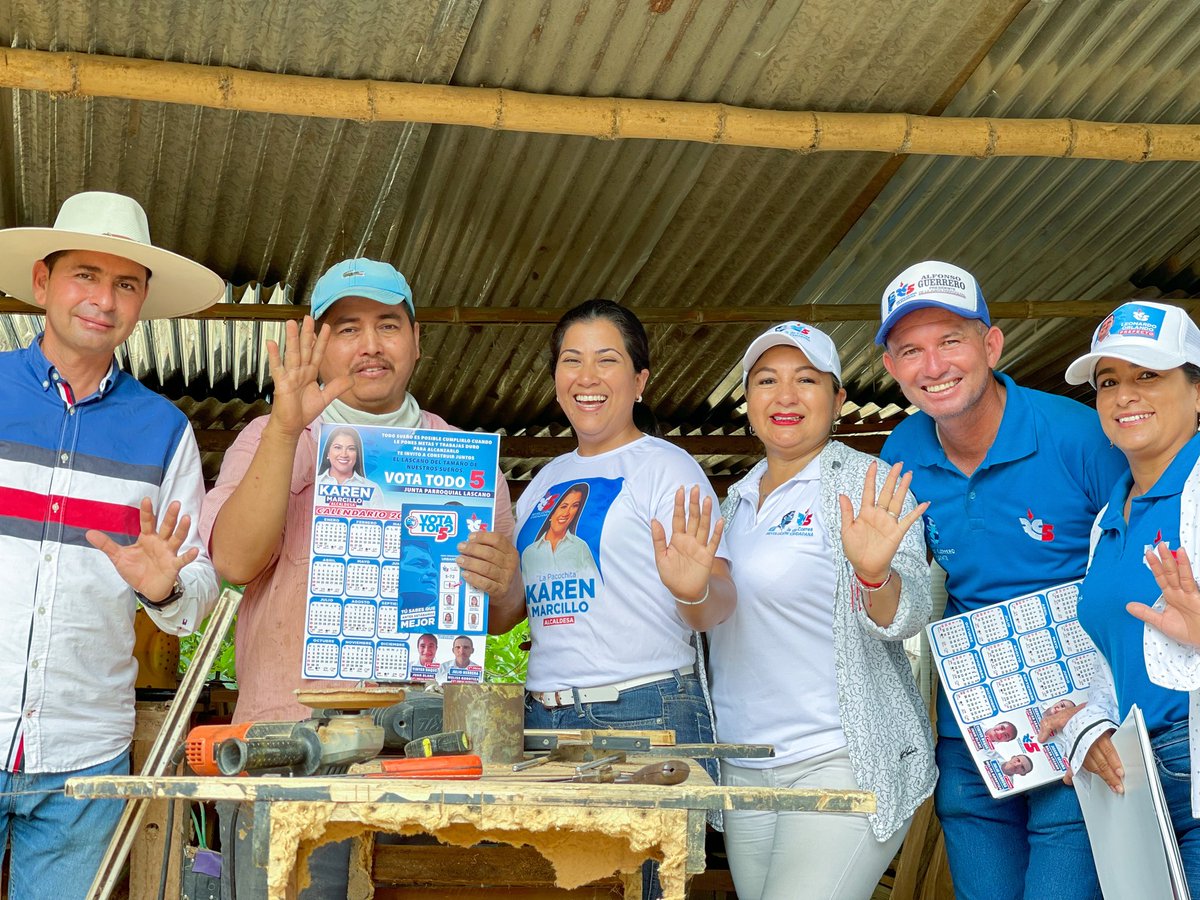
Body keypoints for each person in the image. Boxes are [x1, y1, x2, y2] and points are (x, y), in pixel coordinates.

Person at [200, 257, 520, 897]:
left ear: (417, 340)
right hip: (287, 750)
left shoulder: (464, 459)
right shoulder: (271, 436)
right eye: (346, 328)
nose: (370, 345)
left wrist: (504, 580)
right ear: (317, 345)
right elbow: (233, 563)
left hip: (421, 758)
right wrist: (289, 430)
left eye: (387, 325)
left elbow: (502, 613)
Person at [877, 260, 1125, 900]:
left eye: (950, 341)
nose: (933, 366)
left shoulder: (1078, 435)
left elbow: (1133, 569)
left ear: (992, 344)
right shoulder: (901, 452)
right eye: (911, 350)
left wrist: (1106, 708)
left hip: (1076, 712)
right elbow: (897, 590)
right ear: (891, 368)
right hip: (972, 727)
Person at [0, 190, 222, 896]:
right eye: (85, 275)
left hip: (83, 752)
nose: (104, 298)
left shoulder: (163, 432)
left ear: (143, 300)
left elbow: (202, 594)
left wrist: (163, 586)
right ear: (43, 281)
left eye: (125, 283)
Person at [489, 299, 736, 900]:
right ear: (555, 380)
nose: (587, 377)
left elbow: (719, 600)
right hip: (544, 722)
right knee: (567, 888)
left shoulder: (667, 469)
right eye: (572, 361)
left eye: (607, 360)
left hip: (644, 712)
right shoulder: (543, 485)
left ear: (640, 381)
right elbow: (511, 616)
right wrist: (496, 582)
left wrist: (695, 587)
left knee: (647, 891)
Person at [707, 322, 934, 900]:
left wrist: (875, 574)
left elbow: (908, 616)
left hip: (837, 756)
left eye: (806, 380)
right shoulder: (731, 503)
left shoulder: (869, 484)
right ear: (748, 401)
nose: (785, 396)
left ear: (837, 400)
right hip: (745, 763)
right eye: (767, 381)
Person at [1042, 301, 1200, 891]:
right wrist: (1086, 719)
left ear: (1197, 391)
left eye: (1148, 376)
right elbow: (1111, 658)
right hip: (1137, 779)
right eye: (1109, 382)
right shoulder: (1111, 514)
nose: (1124, 395)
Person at [519, 482, 600, 578]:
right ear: (550, 513)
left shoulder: (581, 547)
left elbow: (596, 587)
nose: (567, 513)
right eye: (563, 506)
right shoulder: (529, 553)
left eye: (575, 506)